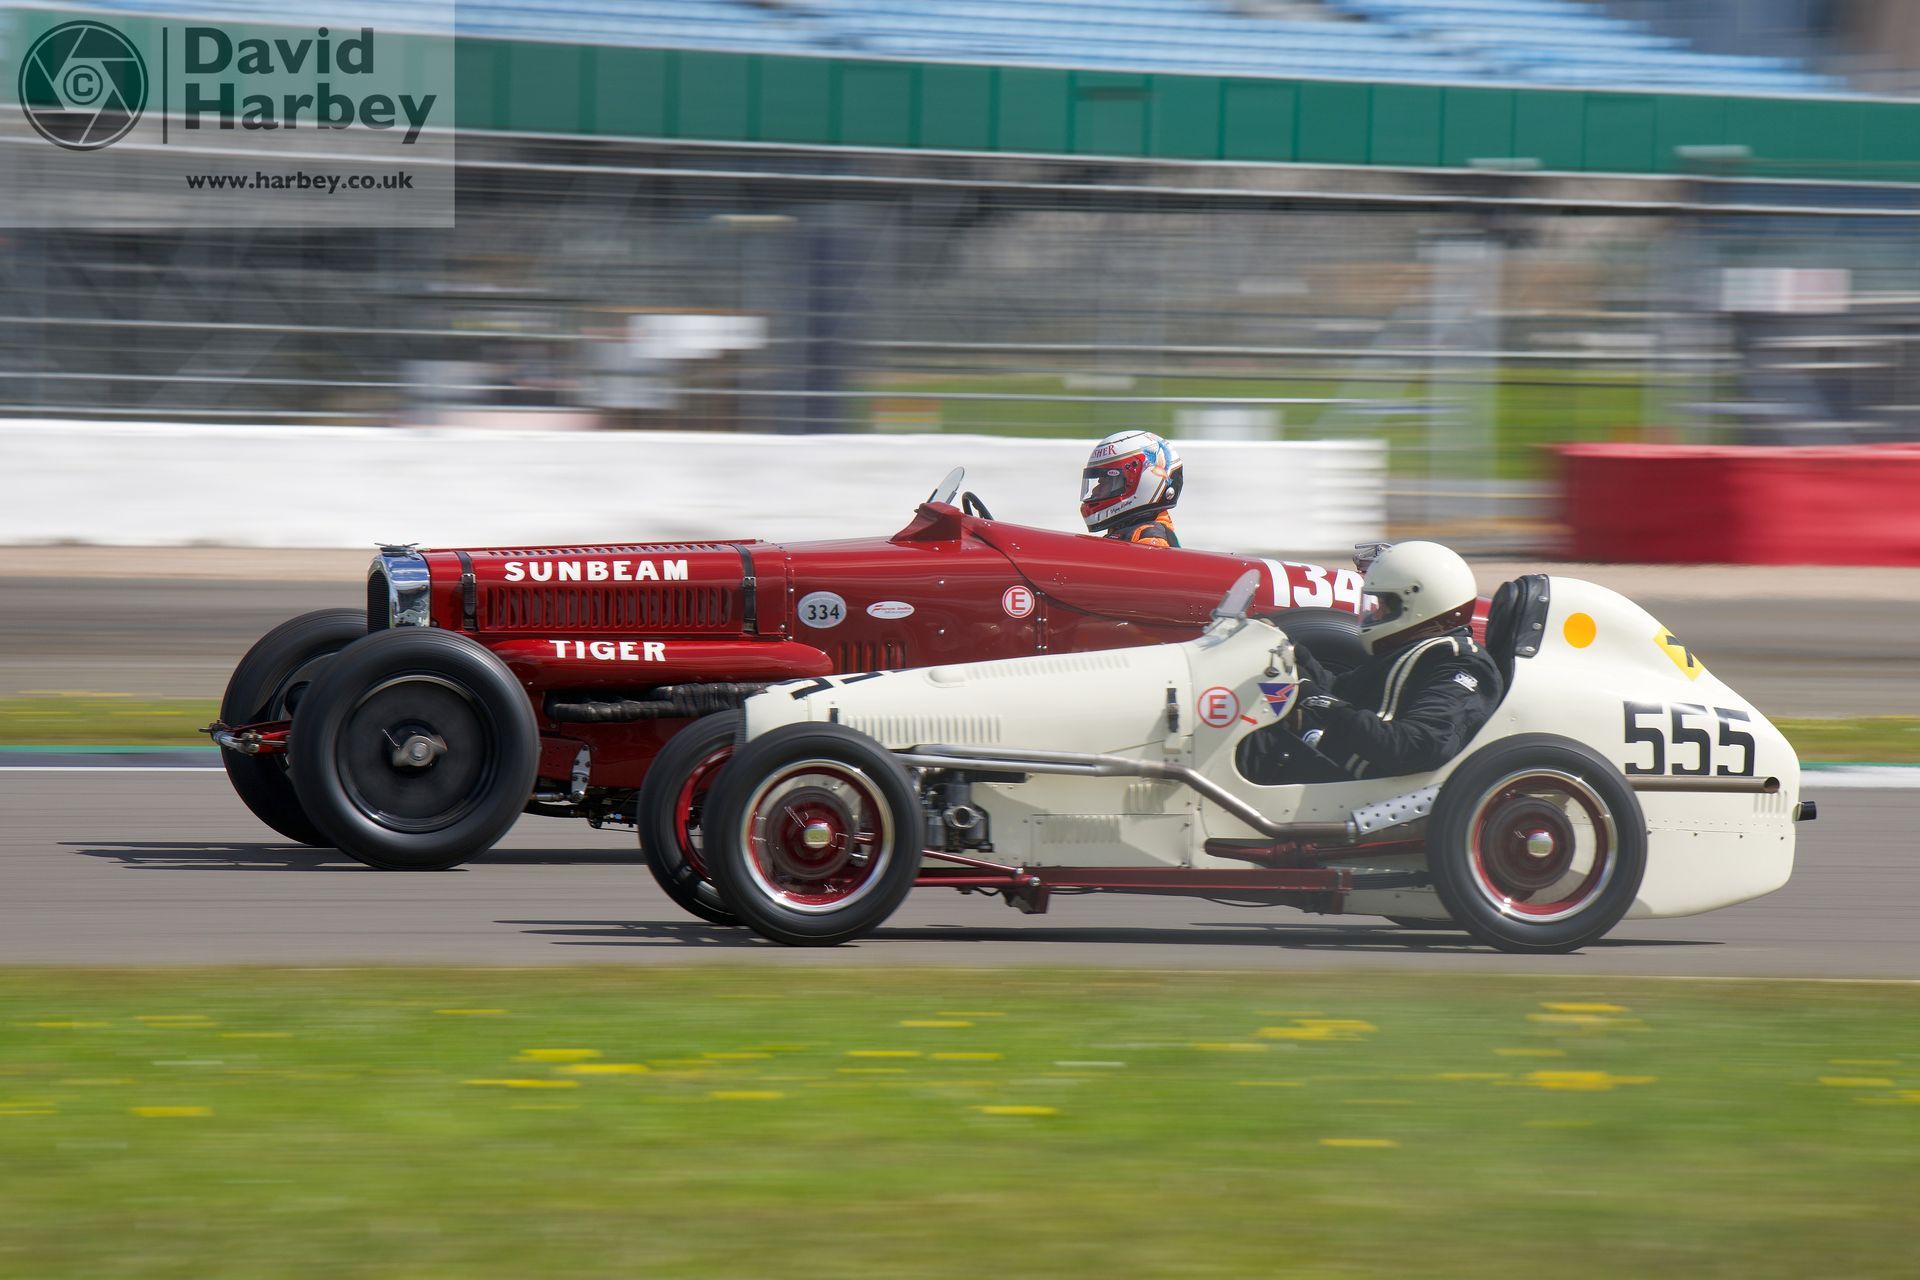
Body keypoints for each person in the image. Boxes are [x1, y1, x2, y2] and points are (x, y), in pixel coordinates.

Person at [1238, 541, 1502, 784]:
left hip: (1360, 786)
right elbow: (1340, 691)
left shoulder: (1460, 663)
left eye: (1387, 604)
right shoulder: (1411, 651)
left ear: (1423, 602)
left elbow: (1417, 745)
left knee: (1242, 746)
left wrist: (1312, 699)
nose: (1377, 613)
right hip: (1333, 763)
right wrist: (1294, 652)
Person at [1081, 430, 1182, 547]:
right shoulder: (1130, 531)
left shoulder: (1150, 538)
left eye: (1105, 482)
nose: (1095, 491)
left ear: (1143, 482)